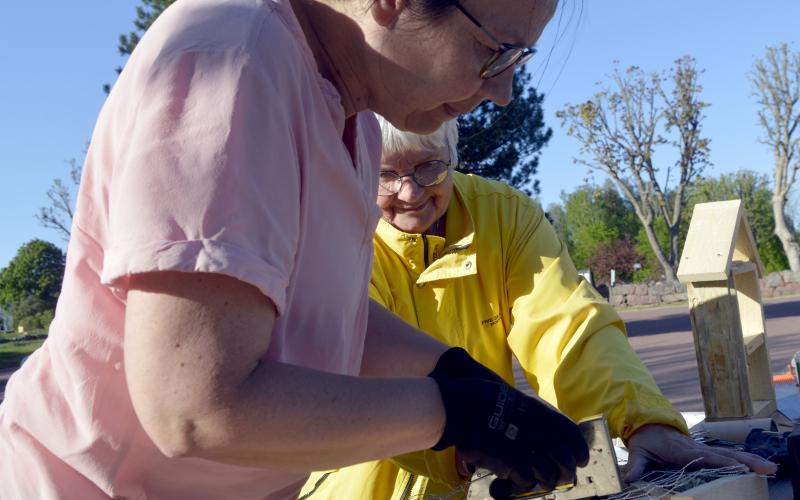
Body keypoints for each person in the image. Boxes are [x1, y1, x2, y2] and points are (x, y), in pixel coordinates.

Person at [0, 1, 592, 498]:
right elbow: (196, 409)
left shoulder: (351, 112)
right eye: (495, 50)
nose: (504, 90)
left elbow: (324, 315)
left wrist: (461, 378)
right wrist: (456, 414)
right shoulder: (234, 65)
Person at [299, 118, 778, 499]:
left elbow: (568, 329)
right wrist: (473, 436)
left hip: (484, 479)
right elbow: (354, 380)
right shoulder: (336, 233)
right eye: (386, 174)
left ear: (453, 153)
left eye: (429, 167)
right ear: (358, 164)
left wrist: (643, 421)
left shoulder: (504, 218)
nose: (411, 192)